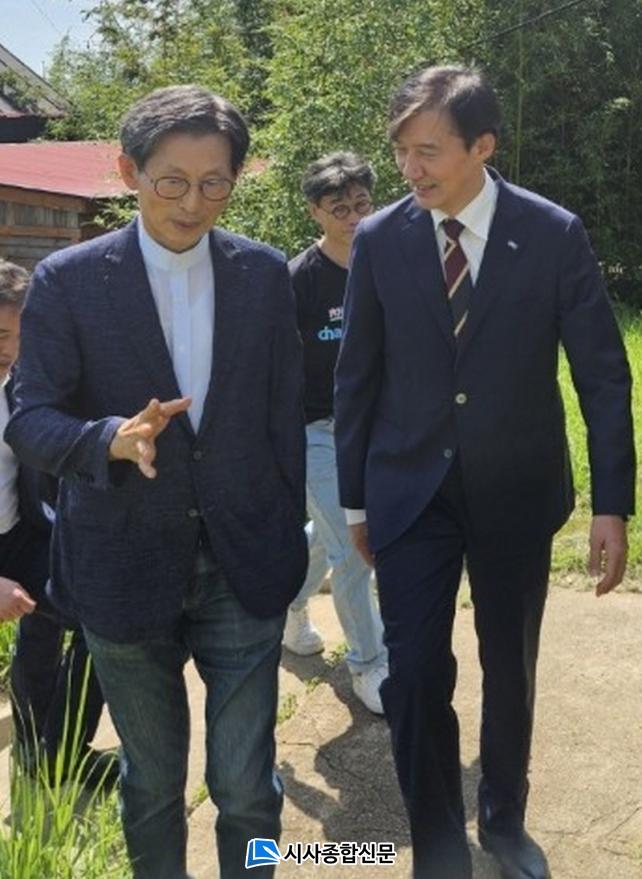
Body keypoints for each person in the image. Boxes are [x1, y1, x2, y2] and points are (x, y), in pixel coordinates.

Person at [334, 65, 635, 879]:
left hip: (515, 491)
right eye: (401, 151)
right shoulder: (381, 239)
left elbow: (603, 374)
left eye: (428, 150)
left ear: (483, 146)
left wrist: (612, 504)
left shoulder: (552, 233)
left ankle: (504, 821)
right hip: (409, 493)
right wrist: (355, 500)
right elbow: (356, 378)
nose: (410, 168)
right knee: (414, 670)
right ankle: (437, 843)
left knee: (510, 666)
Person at [6, 85, 308, 879]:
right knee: (149, 783)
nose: (192, 202)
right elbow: (29, 419)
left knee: (247, 784)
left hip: (243, 562)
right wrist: (106, 438)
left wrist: (288, 523)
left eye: (215, 182)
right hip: (120, 562)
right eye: (171, 180)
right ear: (128, 172)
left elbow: (284, 414)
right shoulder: (69, 280)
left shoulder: (262, 273)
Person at [282, 152, 388, 714]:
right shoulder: (298, 279)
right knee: (354, 547)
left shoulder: (390, 262)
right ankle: (371, 664)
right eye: (338, 208)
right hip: (316, 431)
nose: (353, 218)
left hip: (381, 430)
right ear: (315, 212)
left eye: (362, 205)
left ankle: (289, 603)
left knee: (329, 534)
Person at [0, 259, 108, 784]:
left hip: (19, 535)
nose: (9, 348)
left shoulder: (21, 383)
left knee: (95, 619)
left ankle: (54, 753)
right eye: (1, 335)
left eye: (20, 336)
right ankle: (41, 751)